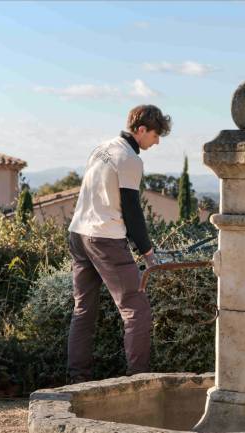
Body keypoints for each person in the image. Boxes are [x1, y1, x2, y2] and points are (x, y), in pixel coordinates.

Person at [66, 105, 171, 383]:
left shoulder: (101, 148)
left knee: (83, 310)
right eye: (155, 134)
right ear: (140, 130)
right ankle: (138, 381)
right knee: (137, 309)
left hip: (78, 233)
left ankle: (78, 381)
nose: (157, 141)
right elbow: (132, 211)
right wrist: (148, 253)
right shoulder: (130, 159)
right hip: (105, 238)